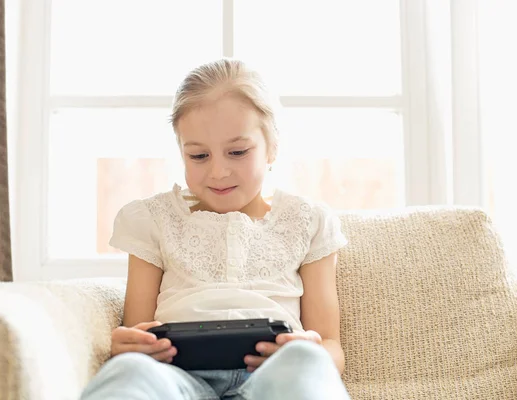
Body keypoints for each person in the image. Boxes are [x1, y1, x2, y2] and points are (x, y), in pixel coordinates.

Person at [79, 58, 351, 400]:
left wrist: (311, 348)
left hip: (273, 377)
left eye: (237, 151)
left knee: (306, 361)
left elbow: (331, 347)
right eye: (198, 156)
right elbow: (139, 330)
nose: (218, 172)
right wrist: (131, 346)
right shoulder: (153, 219)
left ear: (273, 147)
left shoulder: (308, 221)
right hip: (176, 378)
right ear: (180, 152)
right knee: (128, 371)